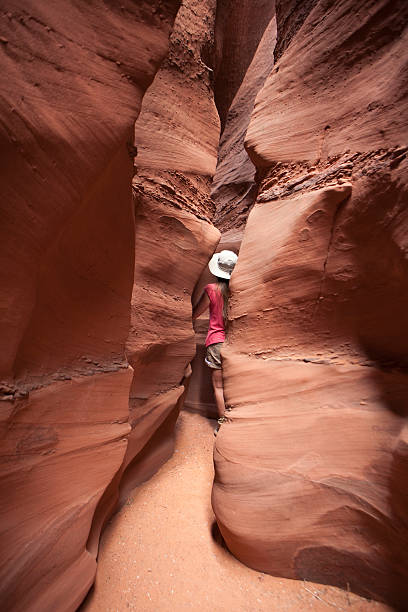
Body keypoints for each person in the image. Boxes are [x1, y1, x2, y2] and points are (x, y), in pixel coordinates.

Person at [192, 250, 238, 431]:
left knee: (218, 387)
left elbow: (196, 314)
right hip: (234, 341)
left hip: (216, 342)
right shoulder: (238, 291)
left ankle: (223, 425)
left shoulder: (211, 290)